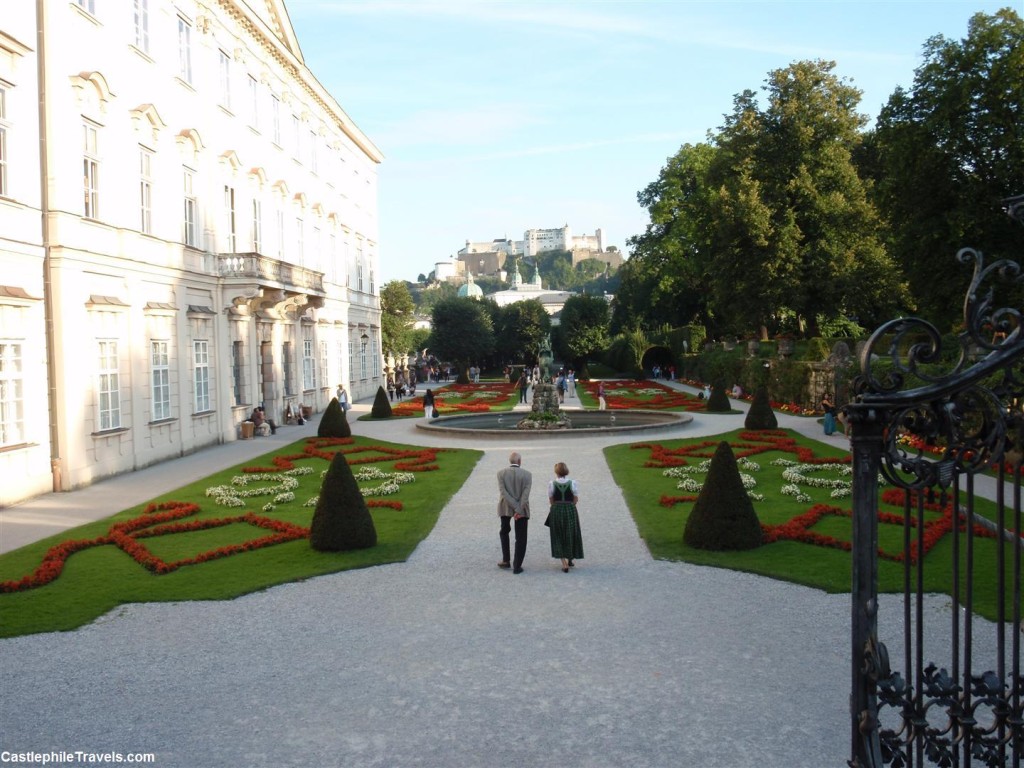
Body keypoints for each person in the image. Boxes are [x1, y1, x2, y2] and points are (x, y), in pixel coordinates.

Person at [496, 451, 532, 574]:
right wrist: (518, 509)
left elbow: (503, 492)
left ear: (510, 461)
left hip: (505, 507)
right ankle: (517, 566)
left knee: (504, 531)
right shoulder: (527, 475)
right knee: (521, 537)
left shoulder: (501, 473)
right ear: (519, 462)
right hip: (521, 509)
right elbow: (525, 495)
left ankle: (506, 560)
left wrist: (514, 507)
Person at [547, 462, 584, 573]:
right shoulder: (573, 483)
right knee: (570, 533)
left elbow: (551, 500)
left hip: (557, 509)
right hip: (570, 509)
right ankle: (570, 559)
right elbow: (576, 499)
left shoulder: (552, 484)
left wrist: (557, 506)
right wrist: (570, 506)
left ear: (556, 472)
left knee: (558, 534)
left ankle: (564, 564)